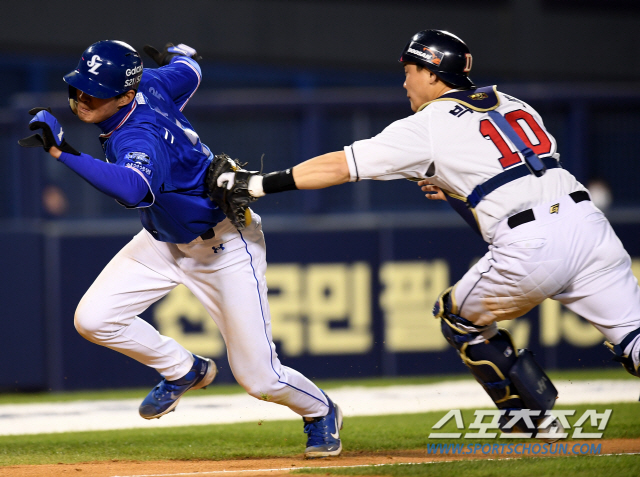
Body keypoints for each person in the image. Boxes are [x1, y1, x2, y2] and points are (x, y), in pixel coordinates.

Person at [211, 29, 640, 438]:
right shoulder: (513, 102)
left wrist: (258, 185)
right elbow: (510, 174)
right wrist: (457, 189)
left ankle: (533, 419)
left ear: (432, 73)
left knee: (459, 317)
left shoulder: (431, 123)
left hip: (531, 240)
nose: (405, 83)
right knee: (634, 338)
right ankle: (537, 414)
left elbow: (341, 166)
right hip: (589, 226)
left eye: (409, 71)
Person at [18, 40, 342, 458]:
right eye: (78, 88)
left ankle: (320, 411)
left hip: (223, 244)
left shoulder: (138, 133)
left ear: (125, 95)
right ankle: (184, 368)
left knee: (260, 379)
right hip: (163, 241)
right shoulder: (151, 82)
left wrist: (61, 150)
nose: (81, 99)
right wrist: (179, 53)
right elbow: (190, 71)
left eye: (93, 92)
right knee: (94, 319)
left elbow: (134, 189)